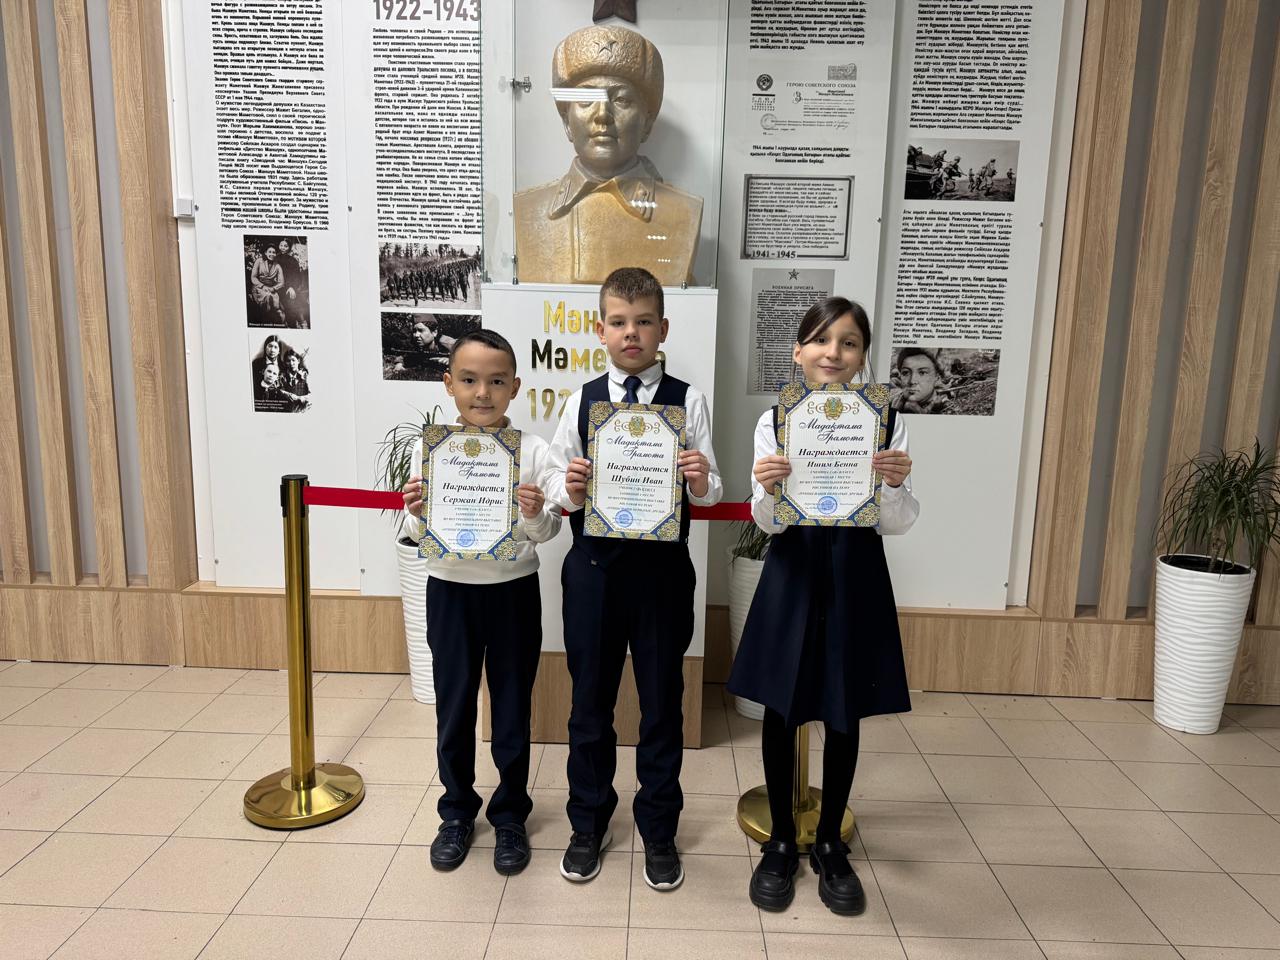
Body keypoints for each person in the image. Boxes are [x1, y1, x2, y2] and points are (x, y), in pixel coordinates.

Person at [728, 297, 918, 916]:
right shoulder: (774, 421)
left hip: (855, 570)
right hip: (795, 569)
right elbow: (767, 522)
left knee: (844, 706)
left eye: (849, 342)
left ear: (863, 356)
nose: (833, 352)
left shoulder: (885, 421)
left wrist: (893, 484)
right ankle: (781, 841)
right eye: (820, 340)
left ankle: (831, 841)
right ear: (798, 351)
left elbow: (896, 522)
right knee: (780, 704)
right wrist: (768, 488)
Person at [544, 266, 721, 891]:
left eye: (643, 321)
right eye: (618, 322)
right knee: (589, 705)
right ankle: (588, 823)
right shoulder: (581, 401)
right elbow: (557, 489)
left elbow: (713, 488)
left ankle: (659, 830)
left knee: (662, 706)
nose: (631, 333)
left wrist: (699, 478)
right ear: (600, 331)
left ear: (662, 328)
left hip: (662, 577)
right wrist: (569, 489)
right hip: (593, 572)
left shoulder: (688, 400)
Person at [400, 329, 563, 876]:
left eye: (496, 381)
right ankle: (456, 811)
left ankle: (511, 814)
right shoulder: (434, 450)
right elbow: (414, 531)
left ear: (515, 387)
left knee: (512, 707)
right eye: (469, 380)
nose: (482, 393)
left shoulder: (532, 451)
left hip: (513, 591)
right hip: (449, 590)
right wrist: (417, 511)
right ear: (449, 383)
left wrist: (533, 513)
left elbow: (547, 533)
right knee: (454, 706)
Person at [513, 25, 703, 285]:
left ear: (647, 123)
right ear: (566, 121)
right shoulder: (528, 209)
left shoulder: (684, 212)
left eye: (622, 100)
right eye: (586, 99)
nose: (603, 115)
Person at [891, 347, 948, 414]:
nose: (912, 381)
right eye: (905, 373)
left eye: (922, 373)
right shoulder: (892, 400)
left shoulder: (947, 405)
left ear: (936, 377)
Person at [249, 246, 286, 325]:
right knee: (266, 299)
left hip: (271, 288)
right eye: (270, 252)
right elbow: (253, 277)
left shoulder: (277, 266)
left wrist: (274, 288)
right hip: (258, 287)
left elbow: (281, 282)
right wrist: (262, 286)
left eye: (274, 252)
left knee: (276, 304)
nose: (272, 254)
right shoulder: (259, 261)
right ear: (265, 253)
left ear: (276, 254)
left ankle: (278, 322)